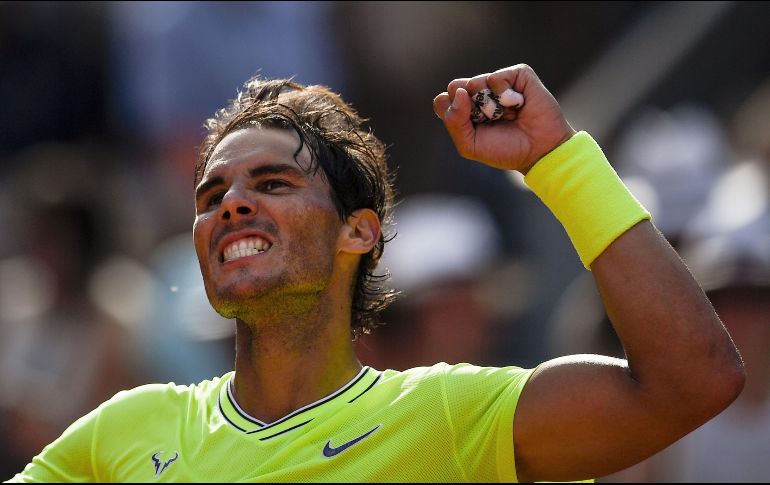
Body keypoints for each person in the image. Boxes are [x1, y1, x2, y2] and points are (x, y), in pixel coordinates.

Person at [7, 64, 745, 482]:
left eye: (272, 183)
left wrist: (558, 160)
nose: (230, 205)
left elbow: (695, 381)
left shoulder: (450, 415)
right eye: (211, 196)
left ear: (358, 231)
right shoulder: (125, 430)